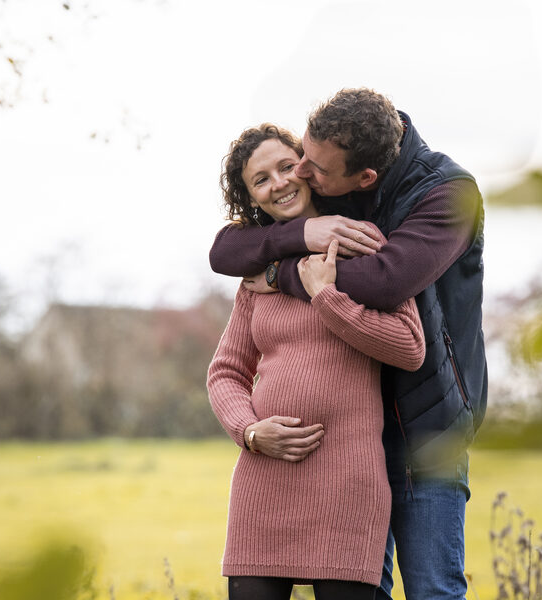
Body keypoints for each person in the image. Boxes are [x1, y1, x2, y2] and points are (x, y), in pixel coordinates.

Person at [208, 88, 488, 600]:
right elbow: (225, 252)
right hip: (323, 453)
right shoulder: (334, 187)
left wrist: (295, 279)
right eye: (301, 162)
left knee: (431, 589)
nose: (299, 178)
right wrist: (298, 239)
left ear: (363, 180)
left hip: (423, 429)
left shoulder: (444, 195)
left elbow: (386, 285)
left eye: (303, 168)